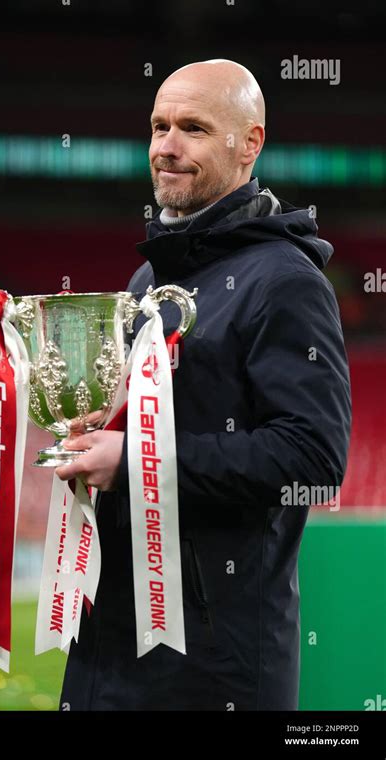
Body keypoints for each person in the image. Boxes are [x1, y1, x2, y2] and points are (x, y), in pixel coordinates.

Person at [56, 59, 352, 710]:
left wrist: (134, 462)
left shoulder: (287, 282)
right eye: (159, 126)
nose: (167, 146)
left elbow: (314, 459)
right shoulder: (146, 284)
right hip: (106, 648)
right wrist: (95, 435)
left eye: (192, 127)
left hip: (213, 672)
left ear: (250, 144)